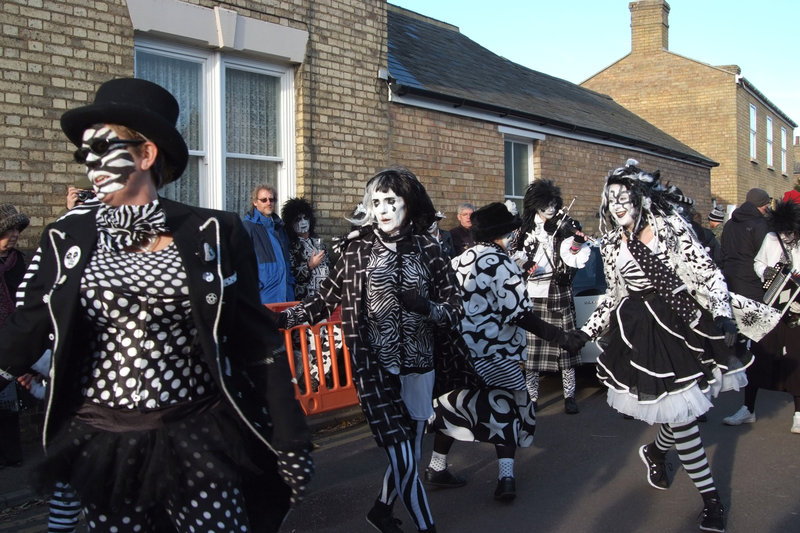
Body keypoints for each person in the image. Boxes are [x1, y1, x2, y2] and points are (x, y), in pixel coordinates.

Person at [0, 78, 312, 532]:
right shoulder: (66, 237)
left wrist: (291, 439)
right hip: (107, 446)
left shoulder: (215, 233)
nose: (90, 164)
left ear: (146, 154)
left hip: (198, 438)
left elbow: (257, 344)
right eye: (84, 154)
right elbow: (28, 327)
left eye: (101, 148)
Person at [579, 159, 758, 533]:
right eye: (611, 199)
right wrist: (585, 333)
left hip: (680, 324)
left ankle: (658, 453)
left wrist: (723, 314)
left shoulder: (671, 228)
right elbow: (613, 295)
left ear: (640, 198)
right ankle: (711, 499)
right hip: (639, 333)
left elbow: (708, 274)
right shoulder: (610, 243)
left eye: (623, 197)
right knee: (680, 416)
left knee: (679, 413)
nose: (617, 206)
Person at [279, 167, 459, 533]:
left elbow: (455, 310)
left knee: (410, 455)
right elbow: (322, 302)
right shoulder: (356, 251)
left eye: (391, 201)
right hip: (374, 369)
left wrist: (426, 307)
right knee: (404, 458)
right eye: (376, 202)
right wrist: (278, 319)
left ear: (409, 203)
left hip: (420, 366)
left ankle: (380, 511)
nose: (383, 209)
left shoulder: (430, 249)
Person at [425, 202, 586, 502]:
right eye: (510, 232)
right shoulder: (503, 264)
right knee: (508, 409)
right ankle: (506, 478)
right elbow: (520, 315)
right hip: (496, 354)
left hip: (462, 355)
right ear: (501, 234)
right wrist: (562, 338)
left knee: (455, 405)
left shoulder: (459, 261)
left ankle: (437, 467)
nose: (513, 237)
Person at [510, 180, 590, 414]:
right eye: (547, 205)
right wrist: (525, 264)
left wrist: (577, 242)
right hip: (533, 294)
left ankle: (569, 396)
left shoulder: (563, 227)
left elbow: (572, 255)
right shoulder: (523, 230)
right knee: (532, 353)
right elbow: (512, 253)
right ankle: (533, 397)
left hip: (558, 291)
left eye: (555, 204)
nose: (552, 209)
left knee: (566, 348)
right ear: (536, 205)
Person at [724, 198, 800, 433]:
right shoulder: (771, 238)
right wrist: (765, 271)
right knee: (758, 355)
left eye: (790, 232)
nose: (786, 236)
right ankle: (748, 408)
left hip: (796, 308)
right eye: (783, 231)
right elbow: (758, 262)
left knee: (796, 356)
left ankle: (799, 413)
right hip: (769, 305)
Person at [280, 197, 341, 391]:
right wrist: (309, 266)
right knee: (309, 343)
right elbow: (292, 276)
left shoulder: (319, 243)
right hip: (306, 302)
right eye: (297, 219)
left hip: (325, 302)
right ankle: (311, 381)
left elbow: (330, 269)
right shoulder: (291, 247)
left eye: (305, 217)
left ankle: (320, 378)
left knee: (328, 341)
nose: (303, 222)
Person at [0, 204, 29, 469]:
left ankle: (12, 454)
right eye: (9, 230)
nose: (14, 235)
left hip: (11, 336)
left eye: (17, 230)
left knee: (9, 401)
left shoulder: (19, 261)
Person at [243, 183, 295, 304]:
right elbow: (243, 267)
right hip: (264, 298)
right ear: (255, 202)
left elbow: (287, 263)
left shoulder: (280, 228)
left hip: (286, 297)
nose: (268, 203)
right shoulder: (248, 227)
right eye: (264, 200)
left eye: (271, 199)